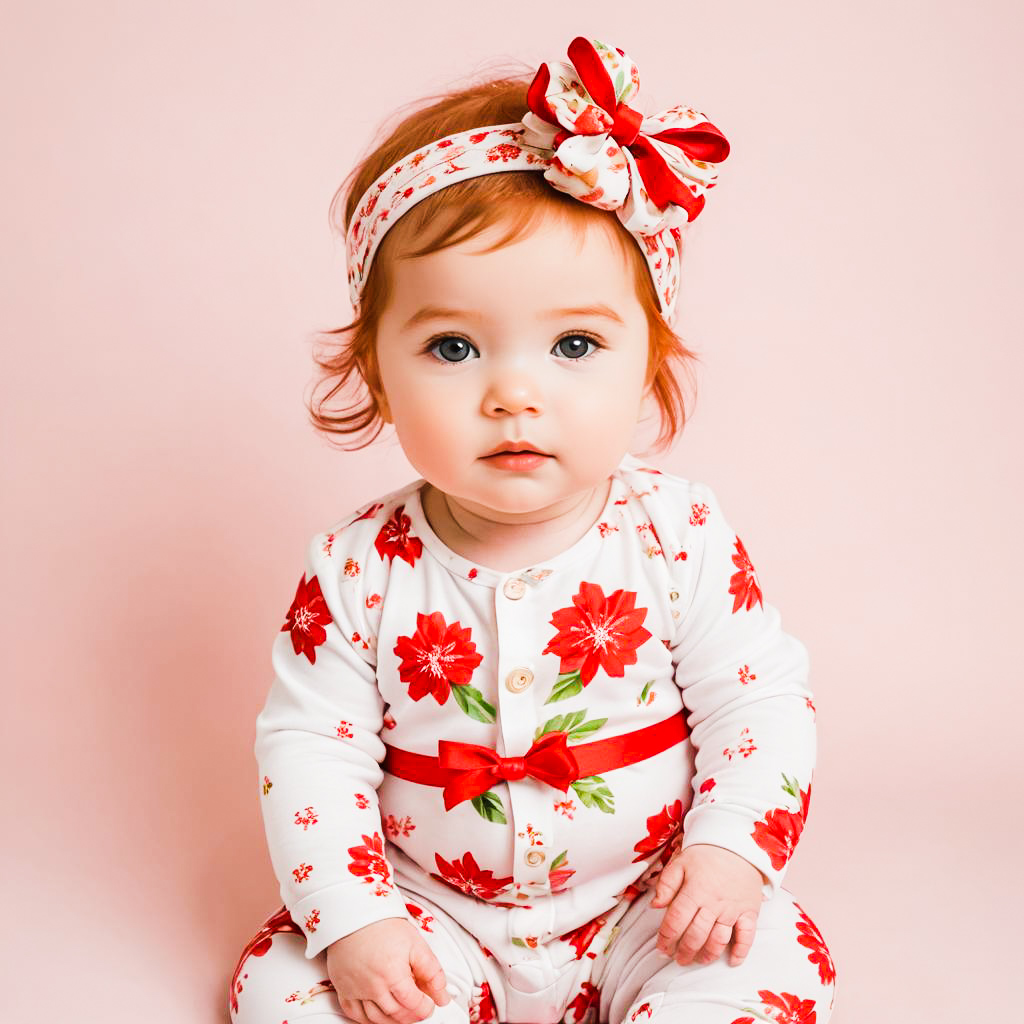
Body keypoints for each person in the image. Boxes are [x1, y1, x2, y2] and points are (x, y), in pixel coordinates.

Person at [228, 34, 837, 1024]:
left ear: (648, 363)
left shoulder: (675, 532)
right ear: (377, 373)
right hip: (432, 905)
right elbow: (311, 746)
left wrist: (728, 848)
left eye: (574, 343)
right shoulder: (354, 566)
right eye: (454, 345)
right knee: (281, 991)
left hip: (652, 898)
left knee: (760, 973)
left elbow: (756, 699)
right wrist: (353, 917)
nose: (514, 392)